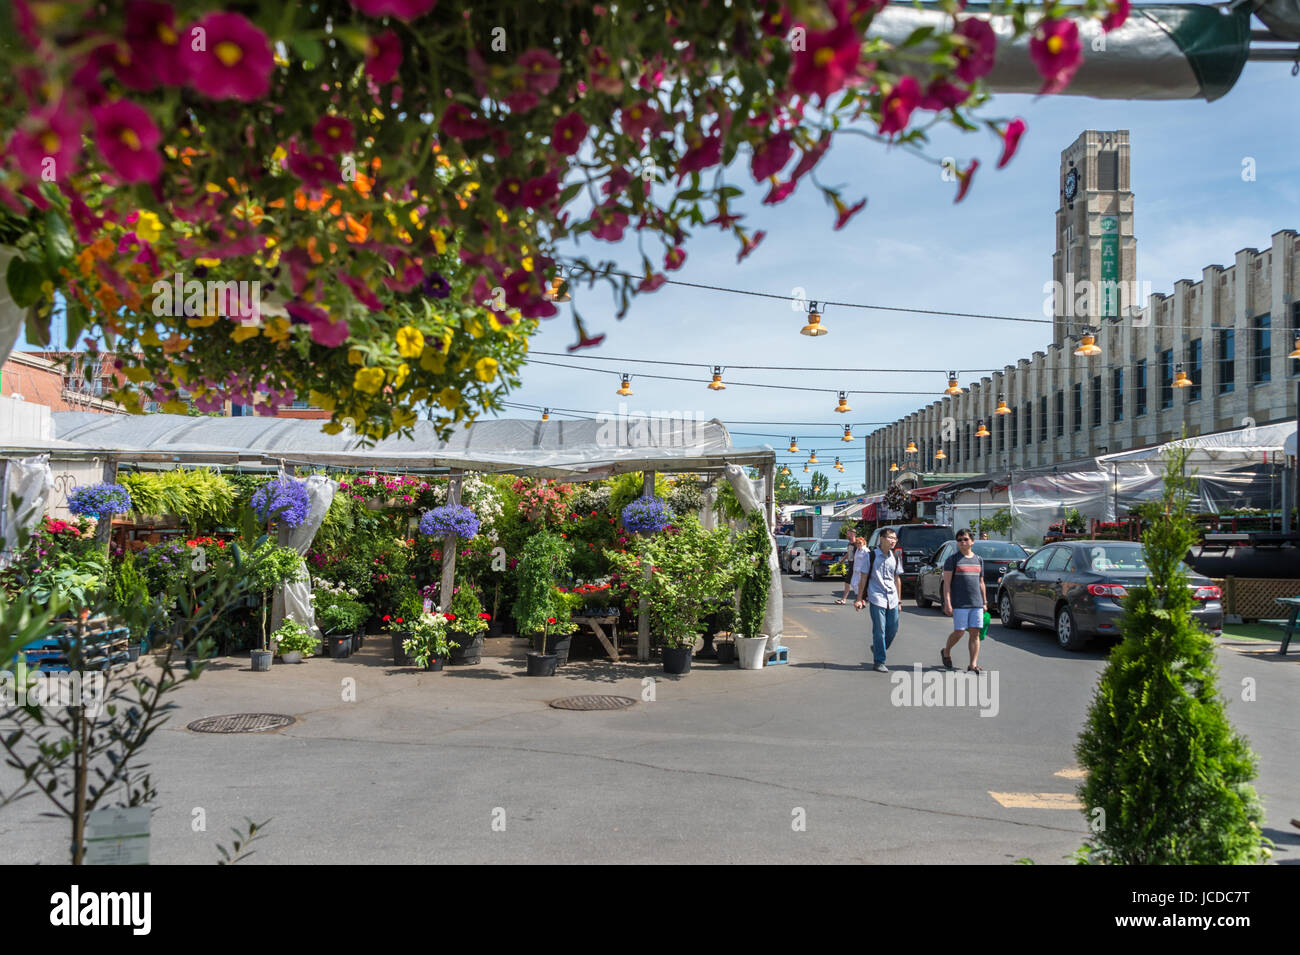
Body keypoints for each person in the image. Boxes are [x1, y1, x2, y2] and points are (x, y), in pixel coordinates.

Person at [854, 528, 901, 672]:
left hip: (892, 598)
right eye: (890, 538)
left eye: (895, 538)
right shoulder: (871, 556)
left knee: (893, 629)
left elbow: (897, 578)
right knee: (879, 630)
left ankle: (877, 648)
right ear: (882, 538)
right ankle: (879, 661)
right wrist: (859, 598)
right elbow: (863, 578)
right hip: (876, 597)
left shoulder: (896, 557)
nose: (893, 541)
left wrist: (899, 601)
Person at [941, 528, 987, 673]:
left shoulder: (979, 559)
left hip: (976, 603)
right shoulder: (952, 560)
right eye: (959, 540)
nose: (962, 542)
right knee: (959, 632)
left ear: (972, 541)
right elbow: (947, 584)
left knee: (975, 633)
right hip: (959, 603)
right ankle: (946, 651)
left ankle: (973, 664)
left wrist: (985, 602)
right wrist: (947, 602)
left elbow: (981, 582)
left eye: (965, 539)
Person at [838, 534, 869, 605]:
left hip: (862, 571)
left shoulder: (865, 550)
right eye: (857, 543)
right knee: (853, 583)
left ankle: (861, 599)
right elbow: (852, 557)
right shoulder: (858, 550)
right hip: (855, 570)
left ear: (863, 543)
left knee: (860, 585)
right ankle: (861, 598)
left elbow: (868, 560)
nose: (858, 544)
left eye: (860, 543)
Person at [835, 528, 860, 604]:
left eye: (848, 533)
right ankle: (843, 599)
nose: (847, 535)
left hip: (857, 567)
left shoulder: (857, 544)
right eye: (847, 533)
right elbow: (849, 553)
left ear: (853, 534)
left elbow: (864, 553)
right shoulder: (850, 544)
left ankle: (860, 599)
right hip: (851, 566)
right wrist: (841, 561)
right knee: (847, 582)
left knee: (858, 584)